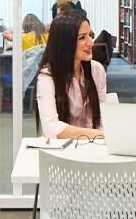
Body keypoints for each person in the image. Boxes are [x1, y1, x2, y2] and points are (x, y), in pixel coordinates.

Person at [35, 10, 106, 139]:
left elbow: (102, 119)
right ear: (65, 43)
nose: (91, 43)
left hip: (94, 147)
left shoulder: (97, 70)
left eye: (90, 35)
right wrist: (98, 135)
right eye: (82, 37)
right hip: (61, 150)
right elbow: (52, 128)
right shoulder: (47, 77)